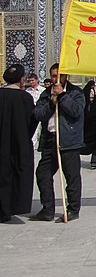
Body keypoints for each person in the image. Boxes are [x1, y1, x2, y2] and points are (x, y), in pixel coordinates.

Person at [31, 63, 85, 222]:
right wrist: (51, 103)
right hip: (50, 140)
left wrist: (63, 97)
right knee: (43, 173)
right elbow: (38, 114)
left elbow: (76, 111)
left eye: (59, 75)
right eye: (53, 76)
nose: (56, 79)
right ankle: (48, 209)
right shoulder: (46, 94)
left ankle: (73, 209)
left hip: (69, 141)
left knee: (72, 177)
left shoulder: (75, 93)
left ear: (65, 75)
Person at [0, 64, 37, 223]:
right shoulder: (25, 98)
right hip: (18, 143)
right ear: (21, 80)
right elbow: (32, 122)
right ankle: (10, 208)